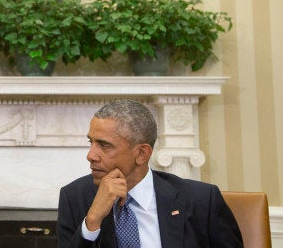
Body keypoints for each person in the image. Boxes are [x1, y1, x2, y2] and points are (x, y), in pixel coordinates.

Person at [57, 99, 243, 248]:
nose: (91, 155)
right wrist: (92, 221)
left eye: (104, 145)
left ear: (142, 154)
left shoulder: (201, 199)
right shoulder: (74, 197)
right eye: (91, 143)